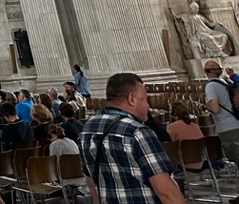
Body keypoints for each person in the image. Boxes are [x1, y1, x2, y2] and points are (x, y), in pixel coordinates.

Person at [79, 72, 185, 204]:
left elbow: (91, 183)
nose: (148, 106)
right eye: (145, 99)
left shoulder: (88, 128)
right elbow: (166, 192)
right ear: (131, 99)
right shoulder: (137, 131)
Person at [204, 59, 239, 165]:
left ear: (207, 71)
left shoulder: (211, 86)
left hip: (227, 127)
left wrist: (204, 106)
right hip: (236, 121)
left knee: (236, 159)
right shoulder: (225, 82)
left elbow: (215, 109)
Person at [166, 104, 204, 172]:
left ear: (175, 116)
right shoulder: (195, 126)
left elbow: (171, 147)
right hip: (201, 162)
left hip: (184, 164)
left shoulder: (171, 127)